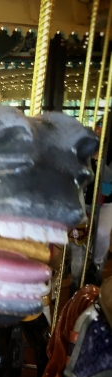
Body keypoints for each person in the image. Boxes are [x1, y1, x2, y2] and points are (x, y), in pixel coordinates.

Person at [84, 119, 112, 285]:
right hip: (87, 199)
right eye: (97, 128)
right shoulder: (85, 150)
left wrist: (99, 160)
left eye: (101, 129)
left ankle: (97, 264)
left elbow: (109, 178)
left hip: (107, 202)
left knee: (101, 232)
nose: (98, 131)